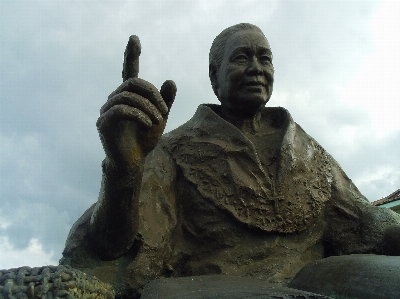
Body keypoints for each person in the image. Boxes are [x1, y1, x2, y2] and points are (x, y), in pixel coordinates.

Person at [61, 23, 400, 294]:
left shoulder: (308, 153)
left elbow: (371, 225)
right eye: (241, 58)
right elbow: (110, 246)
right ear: (214, 76)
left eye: (264, 58)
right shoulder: (172, 149)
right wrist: (125, 168)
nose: (256, 68)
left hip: (320, 279)